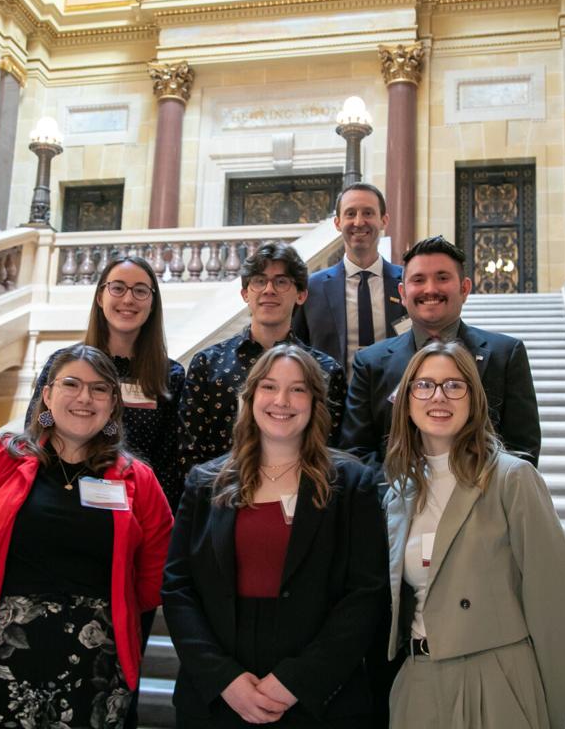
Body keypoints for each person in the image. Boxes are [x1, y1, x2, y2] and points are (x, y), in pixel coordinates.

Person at [0, 344, 173, 729]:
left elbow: (157, 573)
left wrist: (110, 607)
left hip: (95, 661)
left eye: (100, 389)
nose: (85, 397)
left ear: (112, 406)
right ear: (47, 395)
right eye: (71, 383)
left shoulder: (138, 480)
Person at [163, 344, 388, 728]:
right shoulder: (205, 482)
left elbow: (367, 592)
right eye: (269, 387)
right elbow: (178, 587)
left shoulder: (351, 483)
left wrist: (297, 680)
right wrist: (224, 680)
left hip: (319, 700)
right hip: (218, 699)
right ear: (250, 398)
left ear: (316, 402)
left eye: (298, 389)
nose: (282, 400)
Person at [381, 340, 565, 728]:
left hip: (498, 678)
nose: (439, 396)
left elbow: (555, 606)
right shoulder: (399, 493)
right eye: (424, 385)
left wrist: (554, 707)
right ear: (406, 400)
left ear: (474, 399)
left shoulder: (512, 479)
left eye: (454, 385)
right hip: (419, 680)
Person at [340, 235, 541, 466]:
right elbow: (356, 453)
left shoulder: (505, 355)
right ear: (403, 294)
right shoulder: (370, 363)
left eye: (442, 278)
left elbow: (523, 449)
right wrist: (405, 494)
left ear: (465, 288)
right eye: (418, 280)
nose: (431, 289)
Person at [27, 255, 186, 509]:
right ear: (101, 297)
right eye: (118, 288)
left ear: (153, 303)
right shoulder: (62, 363)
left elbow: (170, 464)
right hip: (58, 498)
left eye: (141, 291)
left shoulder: (171, 376)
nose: (128, 299)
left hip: (137, 509)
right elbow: (36, 432)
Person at [180, 241, 346, 470]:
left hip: (301, 496)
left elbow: (332, 452)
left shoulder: (326, 370)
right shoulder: (207, 364)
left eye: (281, 281)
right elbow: (188, 452)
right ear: (245, 293)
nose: (269, 289)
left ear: (301, 295)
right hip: (221, 496)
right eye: (259, 281)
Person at [292, 182, 407, 372]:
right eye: (350, 213)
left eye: (368, 213)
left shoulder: (407, 283)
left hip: (394, 399)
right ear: (337, 223)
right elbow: (297, 351)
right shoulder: (312, 289)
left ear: (384, 220)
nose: (359, 222)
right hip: (331, 400)